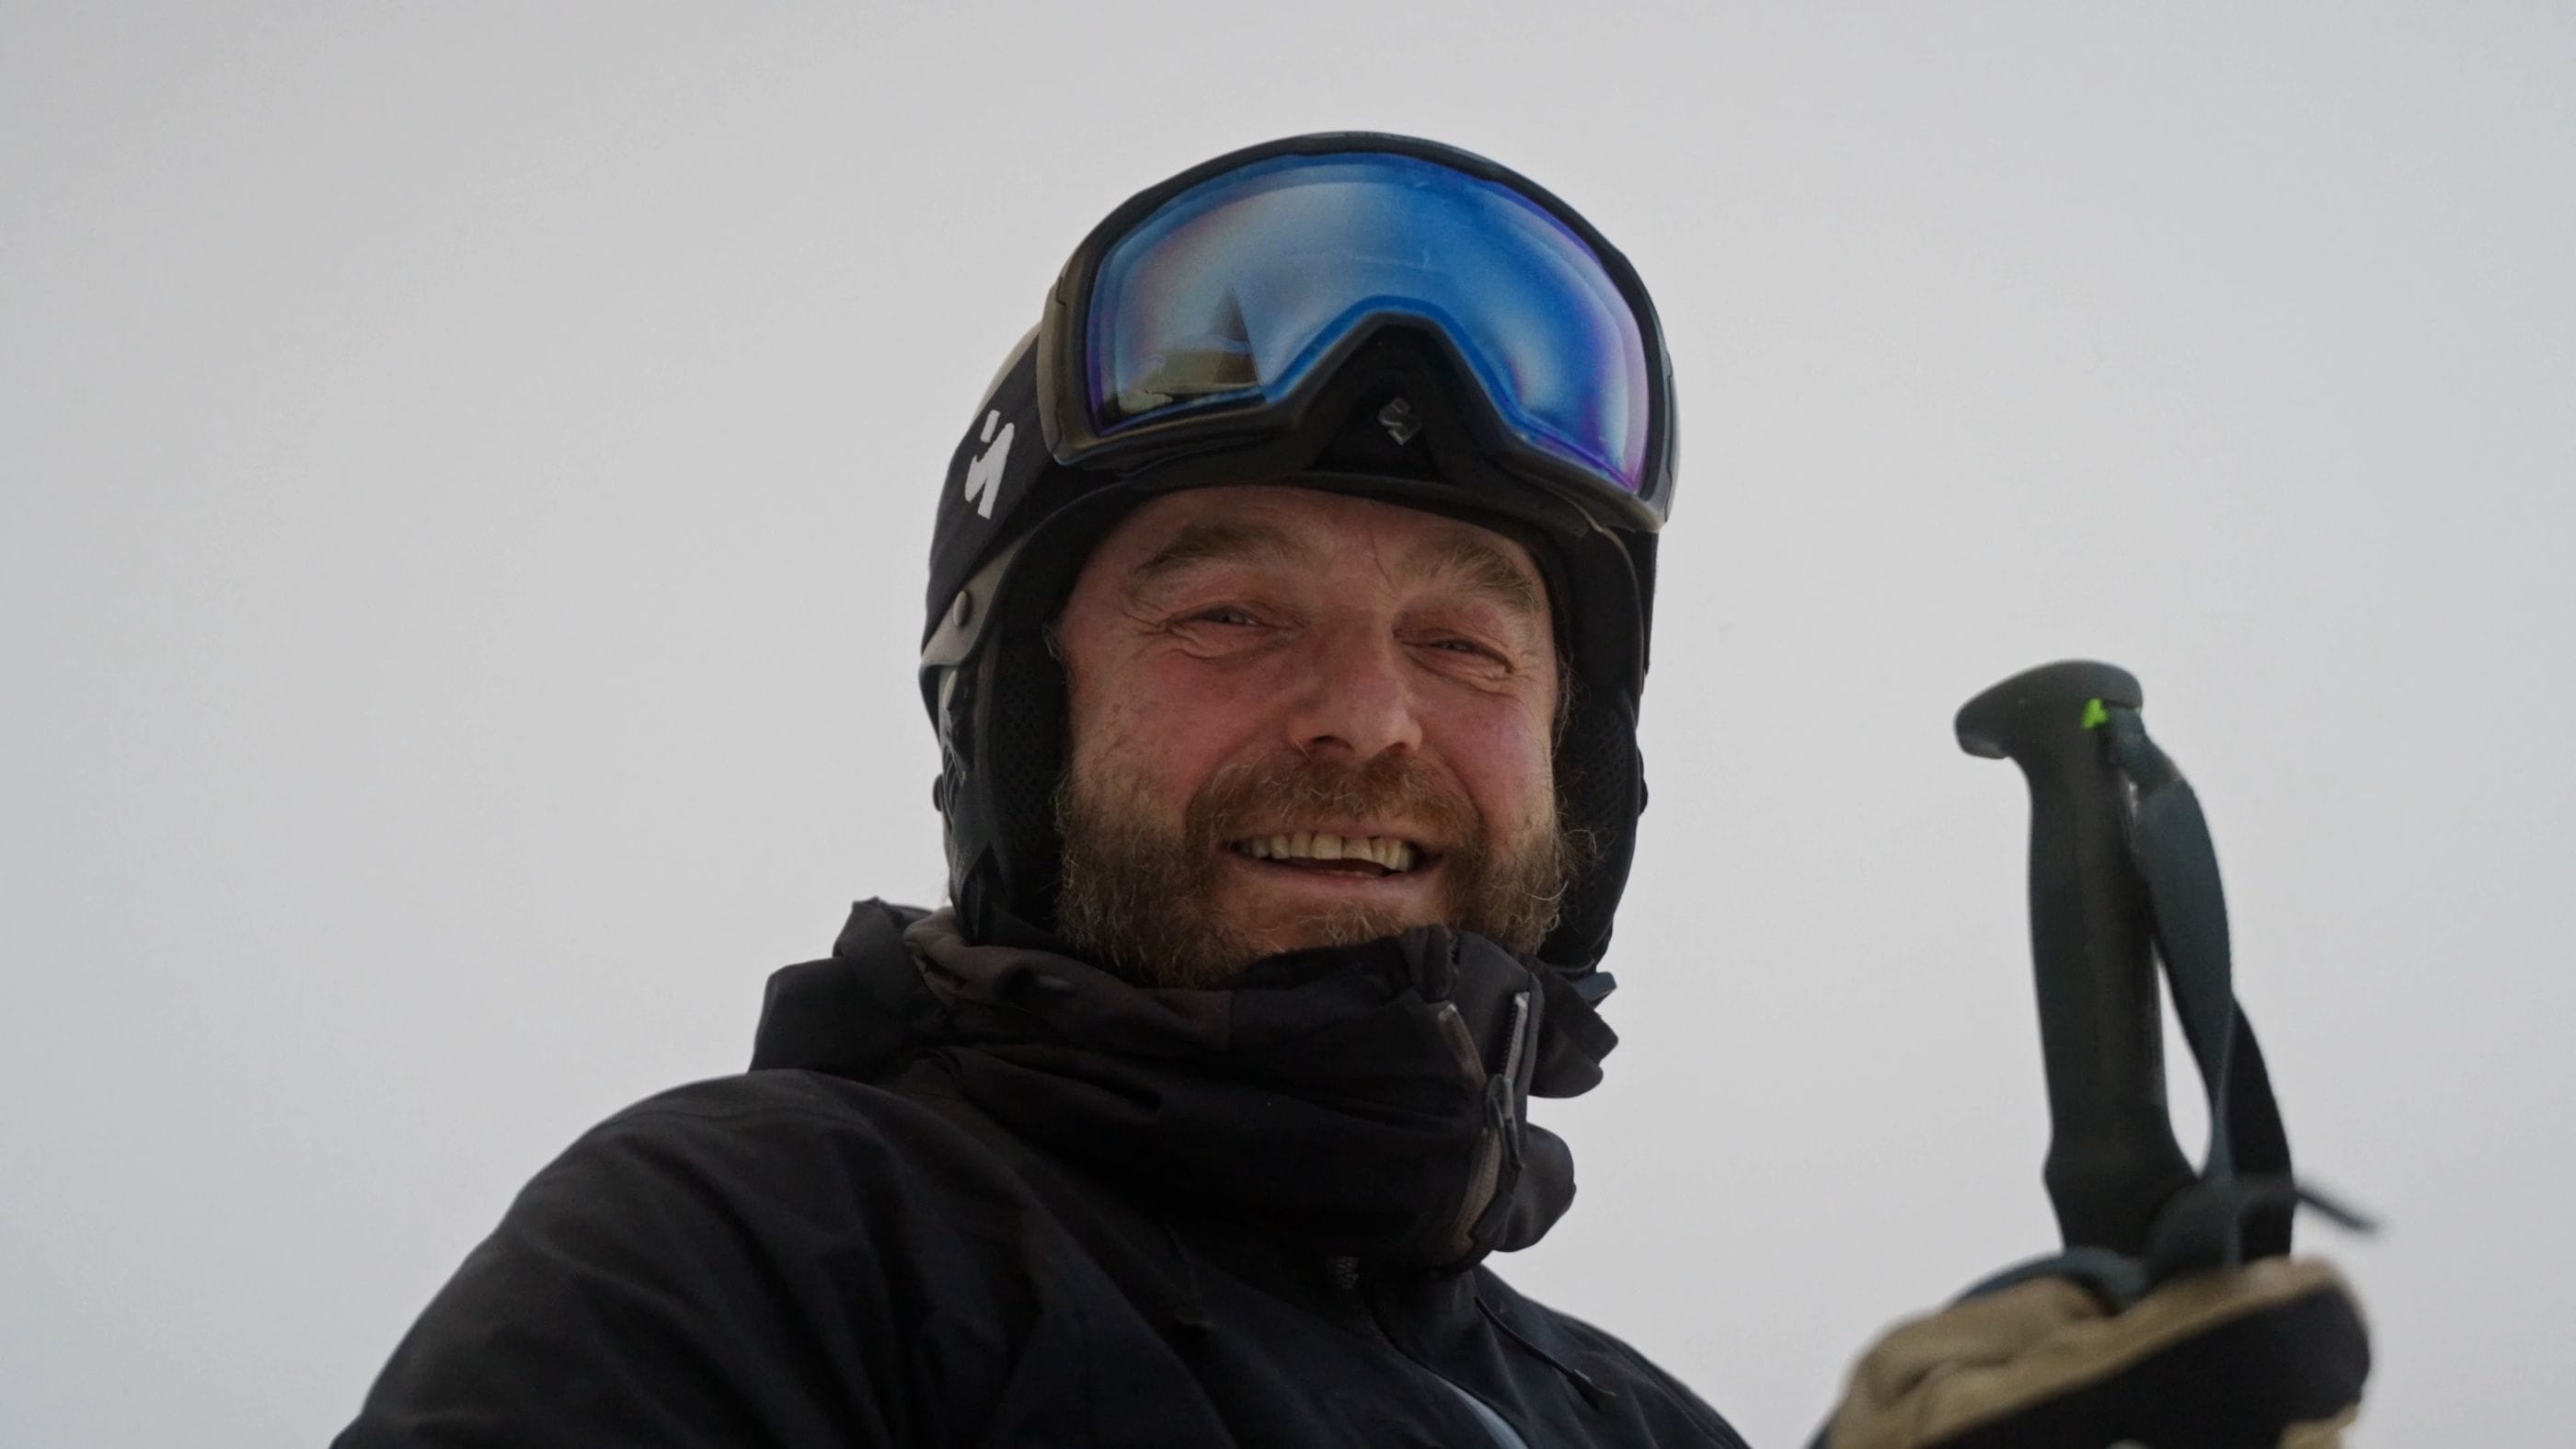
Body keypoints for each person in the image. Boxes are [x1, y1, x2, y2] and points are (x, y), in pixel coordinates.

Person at [335, 133, 2368, 1447]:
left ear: (1577, 766)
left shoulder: (1621, 1424)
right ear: (1015, 727)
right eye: (1229, 615)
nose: (1368, 720)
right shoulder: (769, 1240)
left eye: (1468, 646)